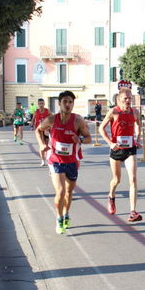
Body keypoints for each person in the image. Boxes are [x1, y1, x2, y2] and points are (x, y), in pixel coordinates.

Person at [36, 90, 92, 234]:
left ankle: (66, 214)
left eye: (70, 102)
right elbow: (38, 130)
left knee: (68, 192)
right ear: (59, 103)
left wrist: (79, 140)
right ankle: (59, 218)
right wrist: (42, 144)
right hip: (55, 160)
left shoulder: (78, 120)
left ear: (73, 104)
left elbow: (88, 138)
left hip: (72, 161)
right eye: (65, 101)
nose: (67, 104)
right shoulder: (52, 119)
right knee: (60, 191)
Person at [99, 88, 142, 222]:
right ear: (119, 100)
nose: (129, 101)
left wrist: (138, 139)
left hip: (130, 149)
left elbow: (139, 125)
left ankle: (133, 212)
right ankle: (111, 196)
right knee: (117, 180)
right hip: (116, 149)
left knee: (133, 179)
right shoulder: (114, 112)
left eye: (130, 98)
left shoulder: (135, 112)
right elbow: (101, 128)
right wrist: (110, 143)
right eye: (125, 98)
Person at [32, 98, 52, 166]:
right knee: (41, 145)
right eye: (40, 103)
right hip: (39, 130)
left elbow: (52, 118)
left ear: (44, 104)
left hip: (46, 130)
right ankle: (42, 160)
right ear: (38, 104)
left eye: (42, 103)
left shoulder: (47, 111)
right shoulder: (36, 111)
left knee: (46, 145)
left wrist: (50, 126)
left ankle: (47, 156)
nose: (41, 105)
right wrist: (32, 126)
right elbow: (33, 119)